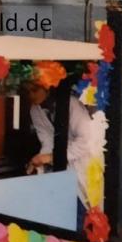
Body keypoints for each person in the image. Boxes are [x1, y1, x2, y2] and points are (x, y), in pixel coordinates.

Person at [25, 81, 94, 215]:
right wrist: (40, 161)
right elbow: (47, 141)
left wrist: (53, 157)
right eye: (27, 92)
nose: (31, 95)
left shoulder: (71, 104)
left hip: (83, 161)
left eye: (35, 90)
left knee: (84, 211)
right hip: (62, 167)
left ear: (47, 86)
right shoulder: (35, 110)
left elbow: (87, 139)